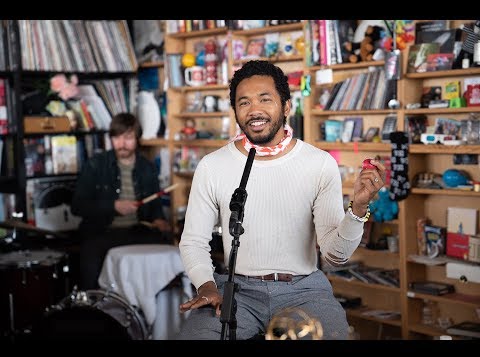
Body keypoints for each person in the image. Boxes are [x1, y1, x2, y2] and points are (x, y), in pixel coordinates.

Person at [175, 60, 386, 340]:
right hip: (236, 291)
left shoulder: (319, 164)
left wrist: (358, 208)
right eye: (244, 102)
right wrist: (206, 285)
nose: (254, 110)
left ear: (286, 106)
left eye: (265, 99)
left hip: (305, 291)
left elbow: (336, 255)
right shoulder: (212, 166)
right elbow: (193, 241)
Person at [71, 112, 173, 290]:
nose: (122, 144)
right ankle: (93, 308)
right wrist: (113, 206)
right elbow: (77, 206)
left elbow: (155, 206)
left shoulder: (147, 167)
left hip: (137, 231)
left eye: (128, 137)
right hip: (102, 232)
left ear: (137, 139)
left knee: (168, 253)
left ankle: (156, 305)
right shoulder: (95, 164)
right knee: (90, 257)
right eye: (116, 138)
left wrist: (158, 220)